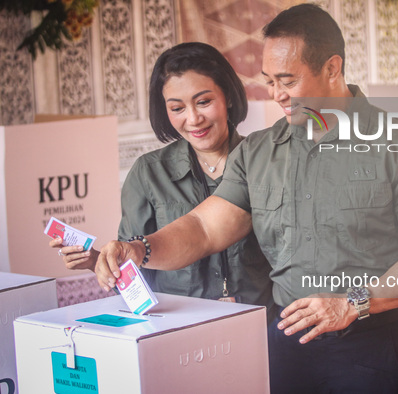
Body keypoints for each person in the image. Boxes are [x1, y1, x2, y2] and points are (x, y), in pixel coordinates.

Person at [95, 4, 398, 393]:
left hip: (369, 347)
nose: (275, 94)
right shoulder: (258, 152)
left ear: (332, 69)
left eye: (287, 80)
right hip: (285, 345)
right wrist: (140, 249)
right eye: (269, 80)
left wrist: (352, 302)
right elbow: (203, 228)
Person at [49, 42, 275, 311]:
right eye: (177, 108)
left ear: (227, 96)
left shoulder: (267, 162)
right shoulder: (149, 173)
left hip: (266, 324)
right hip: (181, 329)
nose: (193, 119)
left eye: (203, 102)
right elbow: (135, 266)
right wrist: (100, 261)